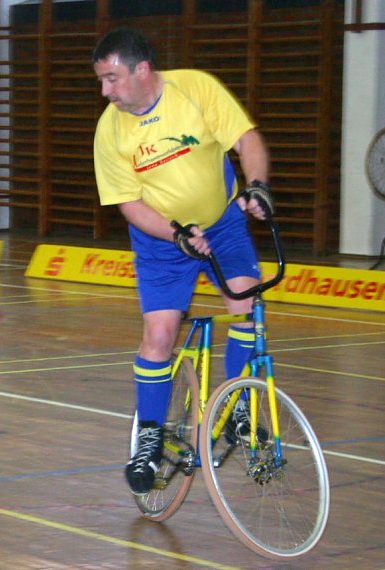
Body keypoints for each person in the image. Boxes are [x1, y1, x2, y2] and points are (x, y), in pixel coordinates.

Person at [91, 28, 275, 495]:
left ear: (142, 70)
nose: (105, 91)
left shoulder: (195, 89)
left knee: (247, 306)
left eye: (112, 79)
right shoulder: (109, 129)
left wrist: (256, 186)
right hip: (161, 240)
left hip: (223, 224)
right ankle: (149, 436)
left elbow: (247, 140)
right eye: (102, 81)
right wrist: (177, 234)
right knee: (159, 334)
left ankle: (236, 404)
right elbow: (129, 204)